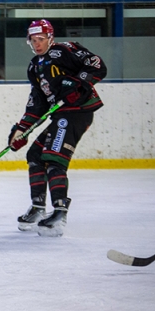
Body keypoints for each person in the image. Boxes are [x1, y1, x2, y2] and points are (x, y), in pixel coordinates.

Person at [8, 20, 107, 236]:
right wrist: (21, 129)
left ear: (50, 38)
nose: (37, 44)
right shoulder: (34, 66)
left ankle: (60, 212)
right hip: (61, 114)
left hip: (77, 112)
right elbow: (38, 102)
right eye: (33, 40)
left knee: (54, 157)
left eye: (41, 39)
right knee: (35, 155)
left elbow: (97, 64)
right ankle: (38, 207)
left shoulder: (65, 50)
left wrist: (78, 82)